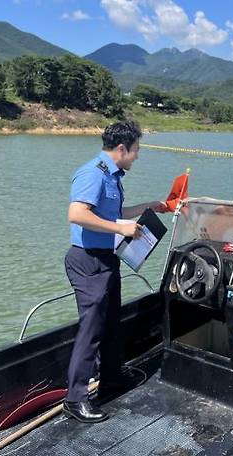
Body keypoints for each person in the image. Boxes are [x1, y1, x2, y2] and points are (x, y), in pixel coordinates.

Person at [63, 120, 168, 424]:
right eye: (136, 150)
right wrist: (119, 228)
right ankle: (75, 399)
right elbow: (77, 214)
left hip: (107, 260)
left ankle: (111, 377)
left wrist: (150, 207)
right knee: (91, 329)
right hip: (87, 261)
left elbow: (114, 214)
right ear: (122, 148)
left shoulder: (112, 176)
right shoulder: (92, 173)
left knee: (110, 324)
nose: (137, 156)